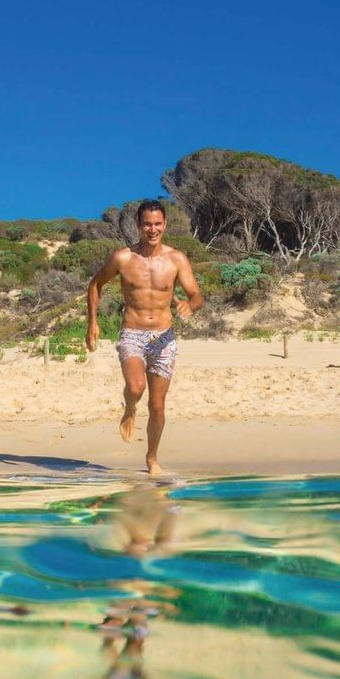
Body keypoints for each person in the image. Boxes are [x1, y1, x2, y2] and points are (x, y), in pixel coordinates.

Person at [85, 200, 205, 475]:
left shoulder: (177, 259)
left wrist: (190, 305)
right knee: (137, 388)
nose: (152, 229)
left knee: (157, 405)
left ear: (165, 225)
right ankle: (129, 407)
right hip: (133, 333)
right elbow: (95, 283)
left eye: (157, 224)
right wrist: (92, 322)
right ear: (138, 225)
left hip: (165, 338)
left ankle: (152, 457)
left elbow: (196, 295)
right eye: (147, 224)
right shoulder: (123, 258)